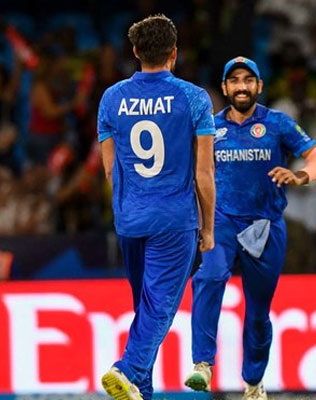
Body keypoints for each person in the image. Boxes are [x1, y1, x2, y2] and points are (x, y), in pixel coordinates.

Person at [184, 57, 316, 400]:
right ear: (224, 88)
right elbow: (194, 174)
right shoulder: (209, 128)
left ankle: (253, 382)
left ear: (259, 87)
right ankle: (202, 363)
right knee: (211, 275)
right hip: (222, 222)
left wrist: (299, 176)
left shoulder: (277, 123)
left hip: (265, 227)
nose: (241, 86)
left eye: (248, 80)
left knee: (259, 314)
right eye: (234, 80)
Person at [97, 14, 216, 400]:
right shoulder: (194, 98)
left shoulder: (111, 98)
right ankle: (127, 370)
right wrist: (209, 227)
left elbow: (110, 170)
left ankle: (139, 391)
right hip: (174, 219)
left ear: (134, 52)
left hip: (131, 218)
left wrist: (130, 207)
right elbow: (204, 174)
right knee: (159, 308)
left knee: (147, 310)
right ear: (174, 53)